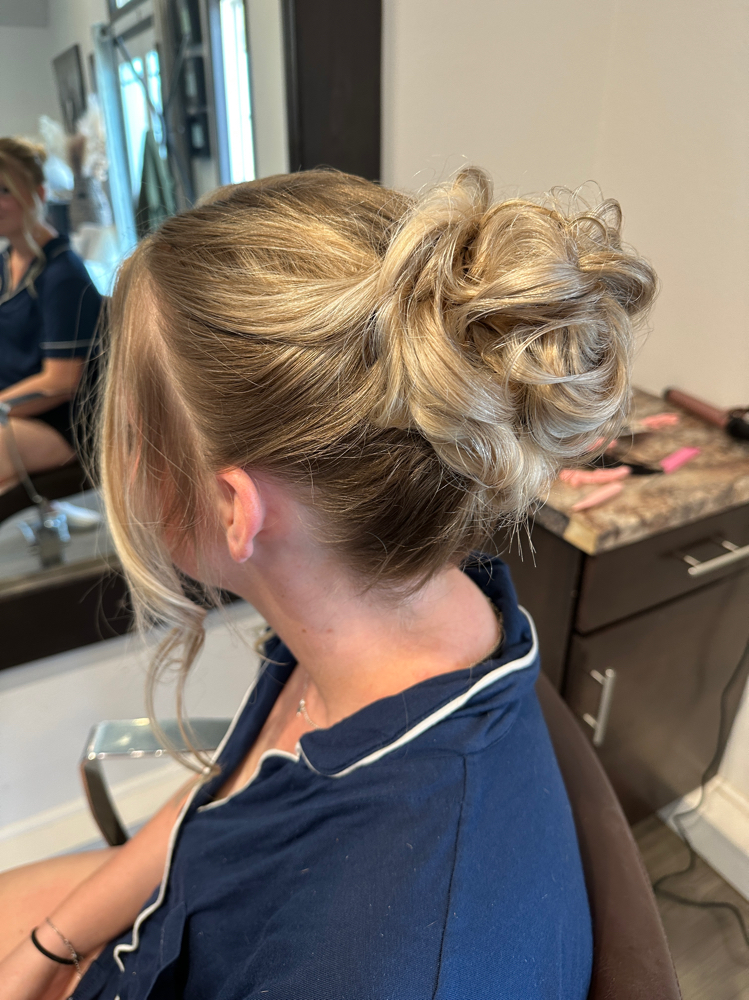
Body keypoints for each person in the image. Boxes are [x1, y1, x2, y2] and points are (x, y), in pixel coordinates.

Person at [0, 167, 656, 999]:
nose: (118, 464)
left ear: (236, 509)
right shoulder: (391, 609)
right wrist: (51, 947)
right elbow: (224, 801)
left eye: (131, 434)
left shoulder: (378, 964)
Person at [0, 137, 102, 496]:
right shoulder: (7, 262)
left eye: (5, 190)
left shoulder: (63, 275)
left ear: (38, 194)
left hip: (62, 423)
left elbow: (60, 382)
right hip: (14, 411)